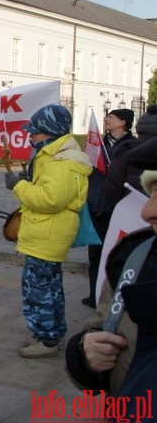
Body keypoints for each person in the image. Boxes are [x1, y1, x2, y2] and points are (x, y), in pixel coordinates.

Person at [65, 136, 157, 407]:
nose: (147, 211)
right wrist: (84, 355)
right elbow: (102, 327)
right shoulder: (134, 257)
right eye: (152, 192)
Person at [4, 103, 93, 358]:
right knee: (49, 287)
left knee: (38, 290)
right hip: (47, 232)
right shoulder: (56, 155)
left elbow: (49, 199)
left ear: (50, 132)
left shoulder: (62, 161)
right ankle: (53, 334)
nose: (30, 135)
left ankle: (46, 340)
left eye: (35, 131)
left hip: (47, 233)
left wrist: (18, 186)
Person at [83, 109, 137, 308]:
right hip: (97, 206)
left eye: (111, 117)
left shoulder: (132, 147)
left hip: (117, 209)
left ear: (122, 122)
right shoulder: (98, 144)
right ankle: (94, 296)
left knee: (115, 254)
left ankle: (114, 297)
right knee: (95, 254)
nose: (106, 119)